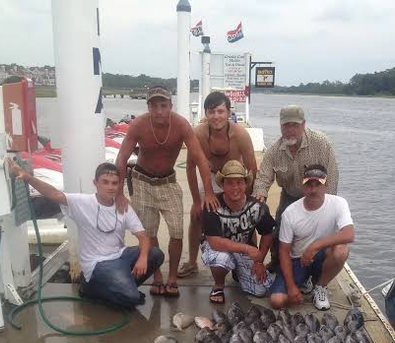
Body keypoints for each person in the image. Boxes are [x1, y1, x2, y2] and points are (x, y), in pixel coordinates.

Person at [8, 159, 164, 309]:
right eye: (105, 182)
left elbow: (143, 236)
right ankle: (93, 288)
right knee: (132, 298)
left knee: (156, 254)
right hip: (98, 263)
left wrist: (143, 258)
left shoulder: (123, 206)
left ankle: (122, 288)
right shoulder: (82, 202)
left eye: (114, 183)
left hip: (120, 255)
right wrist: (27, 177)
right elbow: (54, 194)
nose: (110, 187)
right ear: (95, 183)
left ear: (119, 185)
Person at [115, 85, 219, 298]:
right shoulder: (139, 125)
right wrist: (119, 193)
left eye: (163, 105)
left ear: (170, 106)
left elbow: (200, 158)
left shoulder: (181, 124)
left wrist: (208, 192)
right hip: (142, 181)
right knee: (149, 232)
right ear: (148, 107)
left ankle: (172, 277)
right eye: (154, 106)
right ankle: (157, 277)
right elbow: (122, 158)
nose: (159, 111)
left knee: (176, 231)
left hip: (168, 182)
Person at [179, 91, 257, 279]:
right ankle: (192, 262)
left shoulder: (241, 134)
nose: (216, 116)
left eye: (221, 111)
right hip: (210, 176)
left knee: (247, 218)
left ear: (229, 112)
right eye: (211, 111)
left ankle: (252, 261)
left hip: (235, 178)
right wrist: (197, 201)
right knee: (196, 216)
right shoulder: (198, 133)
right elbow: (190, 168)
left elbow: (252, 169)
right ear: (205, 113)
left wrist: (248, 199)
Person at [253, 104, 339, 272]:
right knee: (278, 229)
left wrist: (326, 206)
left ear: (303, 124)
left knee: (316, 232)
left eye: (295, 125)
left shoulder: (322, 143)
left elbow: (332, 177)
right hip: (290, 195)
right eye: (286, 125)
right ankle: (277, 262)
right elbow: (263, 176)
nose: (290, 130)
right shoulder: (274, 151)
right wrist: (260, 195)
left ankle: (315, 269)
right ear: (280, 126)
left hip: (316, 196)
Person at [269, 164, 354, 311]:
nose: (313, 190)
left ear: (326, 186)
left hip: (320, 257)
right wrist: (291, 287)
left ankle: (320, 286)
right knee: (277, 301)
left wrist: (315, 246)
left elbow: (349, 234)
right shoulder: (290, 213)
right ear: (303, 187)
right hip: (298, 261)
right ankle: (304, 281)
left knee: (341, 250)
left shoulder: (339, 203)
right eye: (309, 185)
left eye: (318, 185)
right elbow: (284, 251)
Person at [200, 160, 275, 304]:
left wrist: (259, 261)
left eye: (239, 182)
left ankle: (238, 272)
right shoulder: (212, 205)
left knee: (261, 290)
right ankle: (218, 286)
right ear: (222, 185)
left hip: (242, 251)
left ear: (246, 184)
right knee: (222, 259)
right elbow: (215, 243)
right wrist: (248, 249)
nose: (235, 188)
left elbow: (268, 232)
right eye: (229, 183)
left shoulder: (258, 207)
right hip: (219, 249)